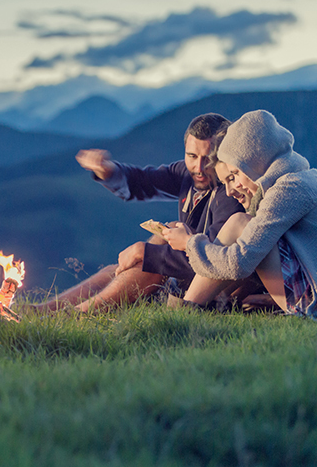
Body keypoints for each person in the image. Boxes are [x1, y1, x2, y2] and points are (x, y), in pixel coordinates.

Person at [31, 113, 245, 312]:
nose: (198, 167)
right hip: (184, 274)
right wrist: (107, 171)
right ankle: (41, 310)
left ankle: (74, 316)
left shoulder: (230, 194)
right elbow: (144, 182)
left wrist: (146, 252)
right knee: (116, 271)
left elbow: (215, 259)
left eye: (208, 158)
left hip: (209, 290)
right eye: (191, 156)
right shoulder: (187, 174)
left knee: (150, 259)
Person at [163, 110, 317, 316]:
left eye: (235, 175)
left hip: (310, 303)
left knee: (240, 224)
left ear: (256, 161)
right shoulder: (301, 179)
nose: (229, 190)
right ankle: (202, 306)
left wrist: (190, 244)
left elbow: (239, 263)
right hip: (308, 293)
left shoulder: (288, 189)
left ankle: (182, 313)